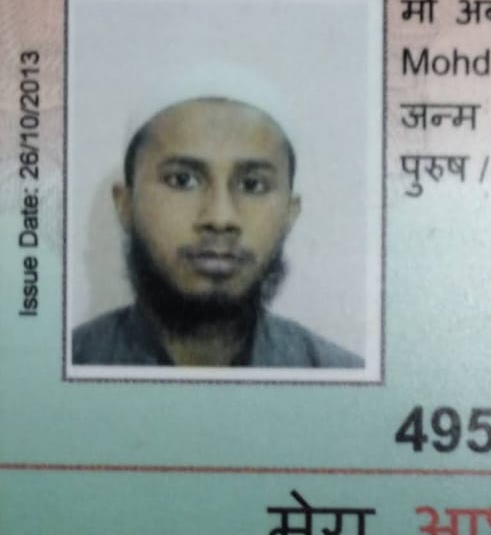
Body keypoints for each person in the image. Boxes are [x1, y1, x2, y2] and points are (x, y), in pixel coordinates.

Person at [73, 96, 363, 368]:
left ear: (290, 212)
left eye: (252, 185)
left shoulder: (342, 377)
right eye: (182, 180)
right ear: (126, 205)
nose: (220, 218)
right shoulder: (68, 364)